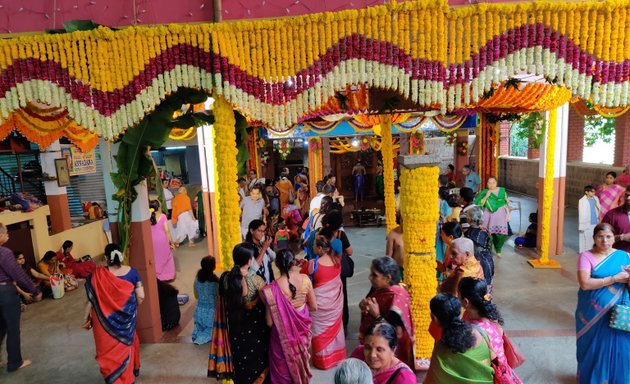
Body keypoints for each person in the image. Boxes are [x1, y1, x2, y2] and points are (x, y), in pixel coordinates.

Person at [575, 223, 630, 384]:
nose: (604, 240)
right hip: (591, 314)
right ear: (594, 238)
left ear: (614, 238)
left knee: (621, 349)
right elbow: (584, 283)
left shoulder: (625, 256)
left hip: (619, 315)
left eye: (608, 236)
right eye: (600, 236)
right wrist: (614, 279)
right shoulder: (586, 256)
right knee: (593, 348)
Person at [210, 243, 270, 383]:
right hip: (255, 334)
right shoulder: (256, 281)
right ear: (249, 261)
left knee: (240, 365)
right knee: (257, 365)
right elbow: (271, 303)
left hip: (235, 332)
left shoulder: (225, 279)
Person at [84, 243, 143, 383]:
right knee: (126, 346)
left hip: (104, 323)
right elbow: (141, 296)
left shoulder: (98, 275)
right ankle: (128, 377)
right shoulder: (132, 272)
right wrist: (131, 309)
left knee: (107, 351)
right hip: (127, 320)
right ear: (121, 255)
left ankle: (114, 379)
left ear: (106, 257)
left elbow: (91, 300)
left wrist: (85, 317)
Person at [261, 249, 316, 384]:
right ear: (293, 262)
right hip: (302, 337)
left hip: (281, 340)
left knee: (282, 373)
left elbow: (269, 322)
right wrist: (299, 309)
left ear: (277, 265)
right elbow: (314, 307)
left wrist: (286, 314)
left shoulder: (270, 290)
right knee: (299, 364)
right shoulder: (305, 280)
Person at [459, 277, 523, 383]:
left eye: (458, 296)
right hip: (501, 371)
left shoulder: (474, 333)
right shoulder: (491, 318)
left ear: (466, 302)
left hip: (489, 377)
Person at [424, 293, 494, 384]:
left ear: (434, 318)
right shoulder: (481, 333)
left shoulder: (441, 350)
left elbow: (433, 380)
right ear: (460, 312)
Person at [358, 257, 415, 368]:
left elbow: (397, 334)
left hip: (387, 351)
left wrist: (376, 315)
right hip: (374, 342)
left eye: (374, 275)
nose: (370, 277)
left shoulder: (396, 298)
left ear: (387, 278)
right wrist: (363, 306)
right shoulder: (379, 288)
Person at [0, 223, 42, 372]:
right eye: (6, 233)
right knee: (12, 328)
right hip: (4, 292)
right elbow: (18, 274)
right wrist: (35, 290)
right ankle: (14, 362)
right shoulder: (4, 252)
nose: (8, 236)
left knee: (1, 327)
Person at [301, 234, 346, 369]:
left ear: (320, 248)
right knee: (335, 329)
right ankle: (337, 356)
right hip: (335, 305)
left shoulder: (313, 265)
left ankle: (323, 361)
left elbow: (302, 276)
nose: (312, 247)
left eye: (314, 245)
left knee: (319, 331)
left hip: (319, 306)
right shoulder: (337, 261)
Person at [350, 322, 416, 384]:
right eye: (368, 348)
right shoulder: (359, 355)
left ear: (393, 350)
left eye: (379, 350)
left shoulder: (404, 378)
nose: (372, 355)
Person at [474, 176, 511, 257]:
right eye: (489, 183)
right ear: (487, 184)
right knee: (488, 233)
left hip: (501, 216)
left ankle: (498, 250)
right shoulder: (484, 192)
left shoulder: (502, 191)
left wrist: (508, 214)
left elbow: (506, 203)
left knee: (501, 234)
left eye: (493, 183)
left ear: (496, 183)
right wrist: (486, 196)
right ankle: (488, 249)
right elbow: (478, 204)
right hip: (488, 215)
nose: (491, 185)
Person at [463, 207, 495, 289]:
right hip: (486, 260)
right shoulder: (485, 232)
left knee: (475, 284)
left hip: (474, 261)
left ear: (469, 219)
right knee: (486, 282)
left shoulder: (467, 233)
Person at [192, 256, 219, 345]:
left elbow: (196, 296)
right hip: (211, 314)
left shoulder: (197, 280)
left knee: (199, 328)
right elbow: (219, 298)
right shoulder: (215, 283)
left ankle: (198, 333)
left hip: (199, 312)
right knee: (213, 330)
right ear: (214, 267)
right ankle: (202, 336)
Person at [149, 200, 176, 281]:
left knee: (156, 256)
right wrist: (171, 241)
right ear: (158, 208)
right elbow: (167, 230)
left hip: (152, 239)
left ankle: (157, 276)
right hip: (162, 239)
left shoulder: (148, 217)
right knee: (167, 256)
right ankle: (168, 276)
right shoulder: (163, 216)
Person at [245, 219, 276, 284]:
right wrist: (264, 249)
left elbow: (274, 257)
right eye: (259, 231)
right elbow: (252, 269)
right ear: (252, 231)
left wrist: (266, 247)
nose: (262, 234)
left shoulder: (262, 244)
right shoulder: (247, 248)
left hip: (269, 282)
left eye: (263, 231)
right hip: (257, 285)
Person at [601, 185, 630, 253]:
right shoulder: (611, 215)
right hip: (618, 258)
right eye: (627, 195)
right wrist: (621, 237)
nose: (628, 198)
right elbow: (600, 238)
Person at [578, 185, 601, 253]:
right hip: (586, 221)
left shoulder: (596, 198)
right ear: (586, 192)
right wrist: (582, 224)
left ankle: (589, 251)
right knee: (583, 237)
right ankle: (582, 252)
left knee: (591, 237)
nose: (594, 193)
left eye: (594, 191)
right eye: (592, 191)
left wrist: (599, 217)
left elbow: (598, 208)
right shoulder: (582, 201)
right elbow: (581, 213)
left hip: (594, 221)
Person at [385, 211, 404, 278]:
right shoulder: (393, 234)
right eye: (402, 220)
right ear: (400, 219)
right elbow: (388, 256)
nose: (404, 223)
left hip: (414, 271)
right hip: (398, 271)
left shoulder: (416, 234)